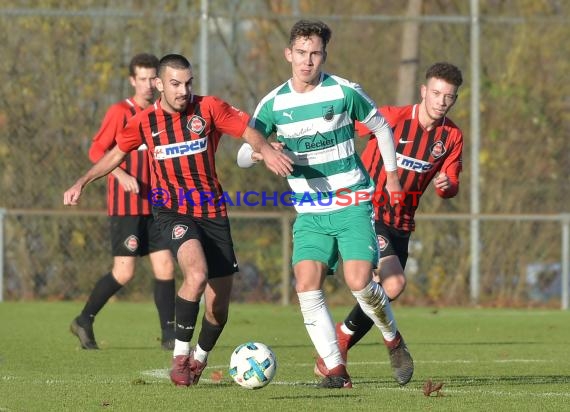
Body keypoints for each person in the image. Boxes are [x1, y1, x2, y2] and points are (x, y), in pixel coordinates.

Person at [64, 54, 293, 386]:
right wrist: (81, 182)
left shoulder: (209, 107)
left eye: (188, 83)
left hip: (213, 211)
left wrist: (267, 149)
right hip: (172, 210)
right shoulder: (144, 121)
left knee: (218, 308)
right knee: (195, 273)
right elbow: (114, 153)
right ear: (158, 84)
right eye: (175, 84)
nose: (183, 90)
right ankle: (180, 357)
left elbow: (248, 131)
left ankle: (199, 359)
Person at [243, 19, 413, 389]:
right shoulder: (273, 104)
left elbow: (381, 126)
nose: (307, 61)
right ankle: (337, 370)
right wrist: (264, 150)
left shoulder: (343, 92)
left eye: (315, 54)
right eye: (301, 53)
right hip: (309, 211)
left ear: (324, 56)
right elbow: (245, 150)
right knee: (306, 282)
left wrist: (393, 175)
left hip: (352, 203)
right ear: (289, 54)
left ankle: (393, 339)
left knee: (359, 282)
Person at [315, 62, 464, 377]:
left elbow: (451, 184)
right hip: (368, 211)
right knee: (393, 283)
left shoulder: (451, 137)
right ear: (423, 91)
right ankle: (342, 344)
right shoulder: (391, 118)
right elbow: (343, 126)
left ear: (454, 100)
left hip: (402, 224)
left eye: (448, 97)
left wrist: (446, 185)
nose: (441, 101)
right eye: (436, 93)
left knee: (384, 291)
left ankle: (337, 346)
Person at [69, 53, 177, 351]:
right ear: (133, 81)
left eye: (151, 79)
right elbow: (96, 151)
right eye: (141, 79)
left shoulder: (163, 113)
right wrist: (118, 173)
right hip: (126, 207)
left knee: (166, 265)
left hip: (158, 205)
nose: (147, 85)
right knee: (124, 272)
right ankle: (84, 319)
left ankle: (170, 336)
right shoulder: (120, 112)